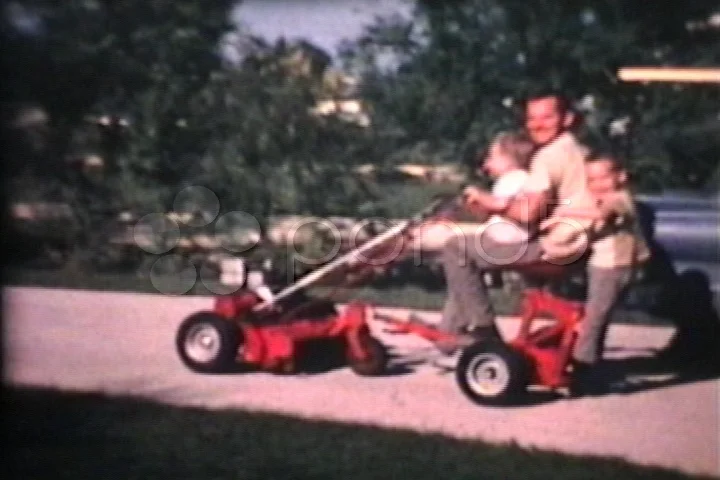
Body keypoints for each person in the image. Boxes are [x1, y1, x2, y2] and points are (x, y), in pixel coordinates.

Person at [435, 89, 592, 353]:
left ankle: (484, 331)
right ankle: (448, 334)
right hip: (581, 243)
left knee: (456, 248)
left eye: (547, 117)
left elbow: (528, 213)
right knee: (467, 262)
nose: (536, 125)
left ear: (567, 119)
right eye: (532, 119)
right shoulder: (582, 151)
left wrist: (491, 202)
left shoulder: (549, 156)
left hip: (557, 248)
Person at [542, 152, 651, 395]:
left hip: (613, 268)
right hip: (604, 265)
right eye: (591, 180)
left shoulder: (619, 199)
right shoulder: (609, 199)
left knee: (594, 320)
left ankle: (582, 371)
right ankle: (591, 365)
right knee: (596, 317)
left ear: (621, 176)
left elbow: (601, 217)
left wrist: (563, 215)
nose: (596, 185)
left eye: (603, 178)